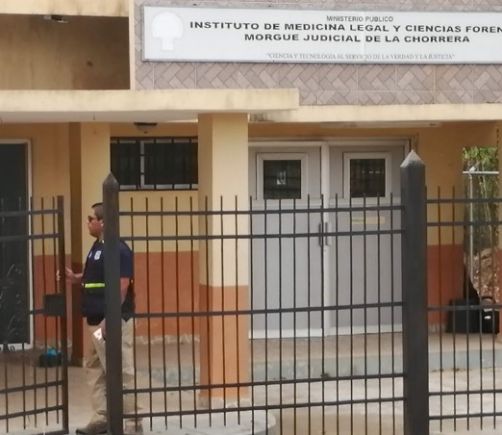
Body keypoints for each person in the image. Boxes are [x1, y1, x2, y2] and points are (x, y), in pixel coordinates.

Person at [60, 203, 141, 434]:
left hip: (111, 322)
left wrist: (109, 319)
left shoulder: (119, 249)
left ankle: (133, 421)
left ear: (103, 222)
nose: (87, 223)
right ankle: (102, 418)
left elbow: (122, 286)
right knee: (94, 366)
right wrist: (76, 278)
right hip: (96, 322)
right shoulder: (98, 246)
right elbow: (97, 278)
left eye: (90, 219)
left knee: (120, 368)